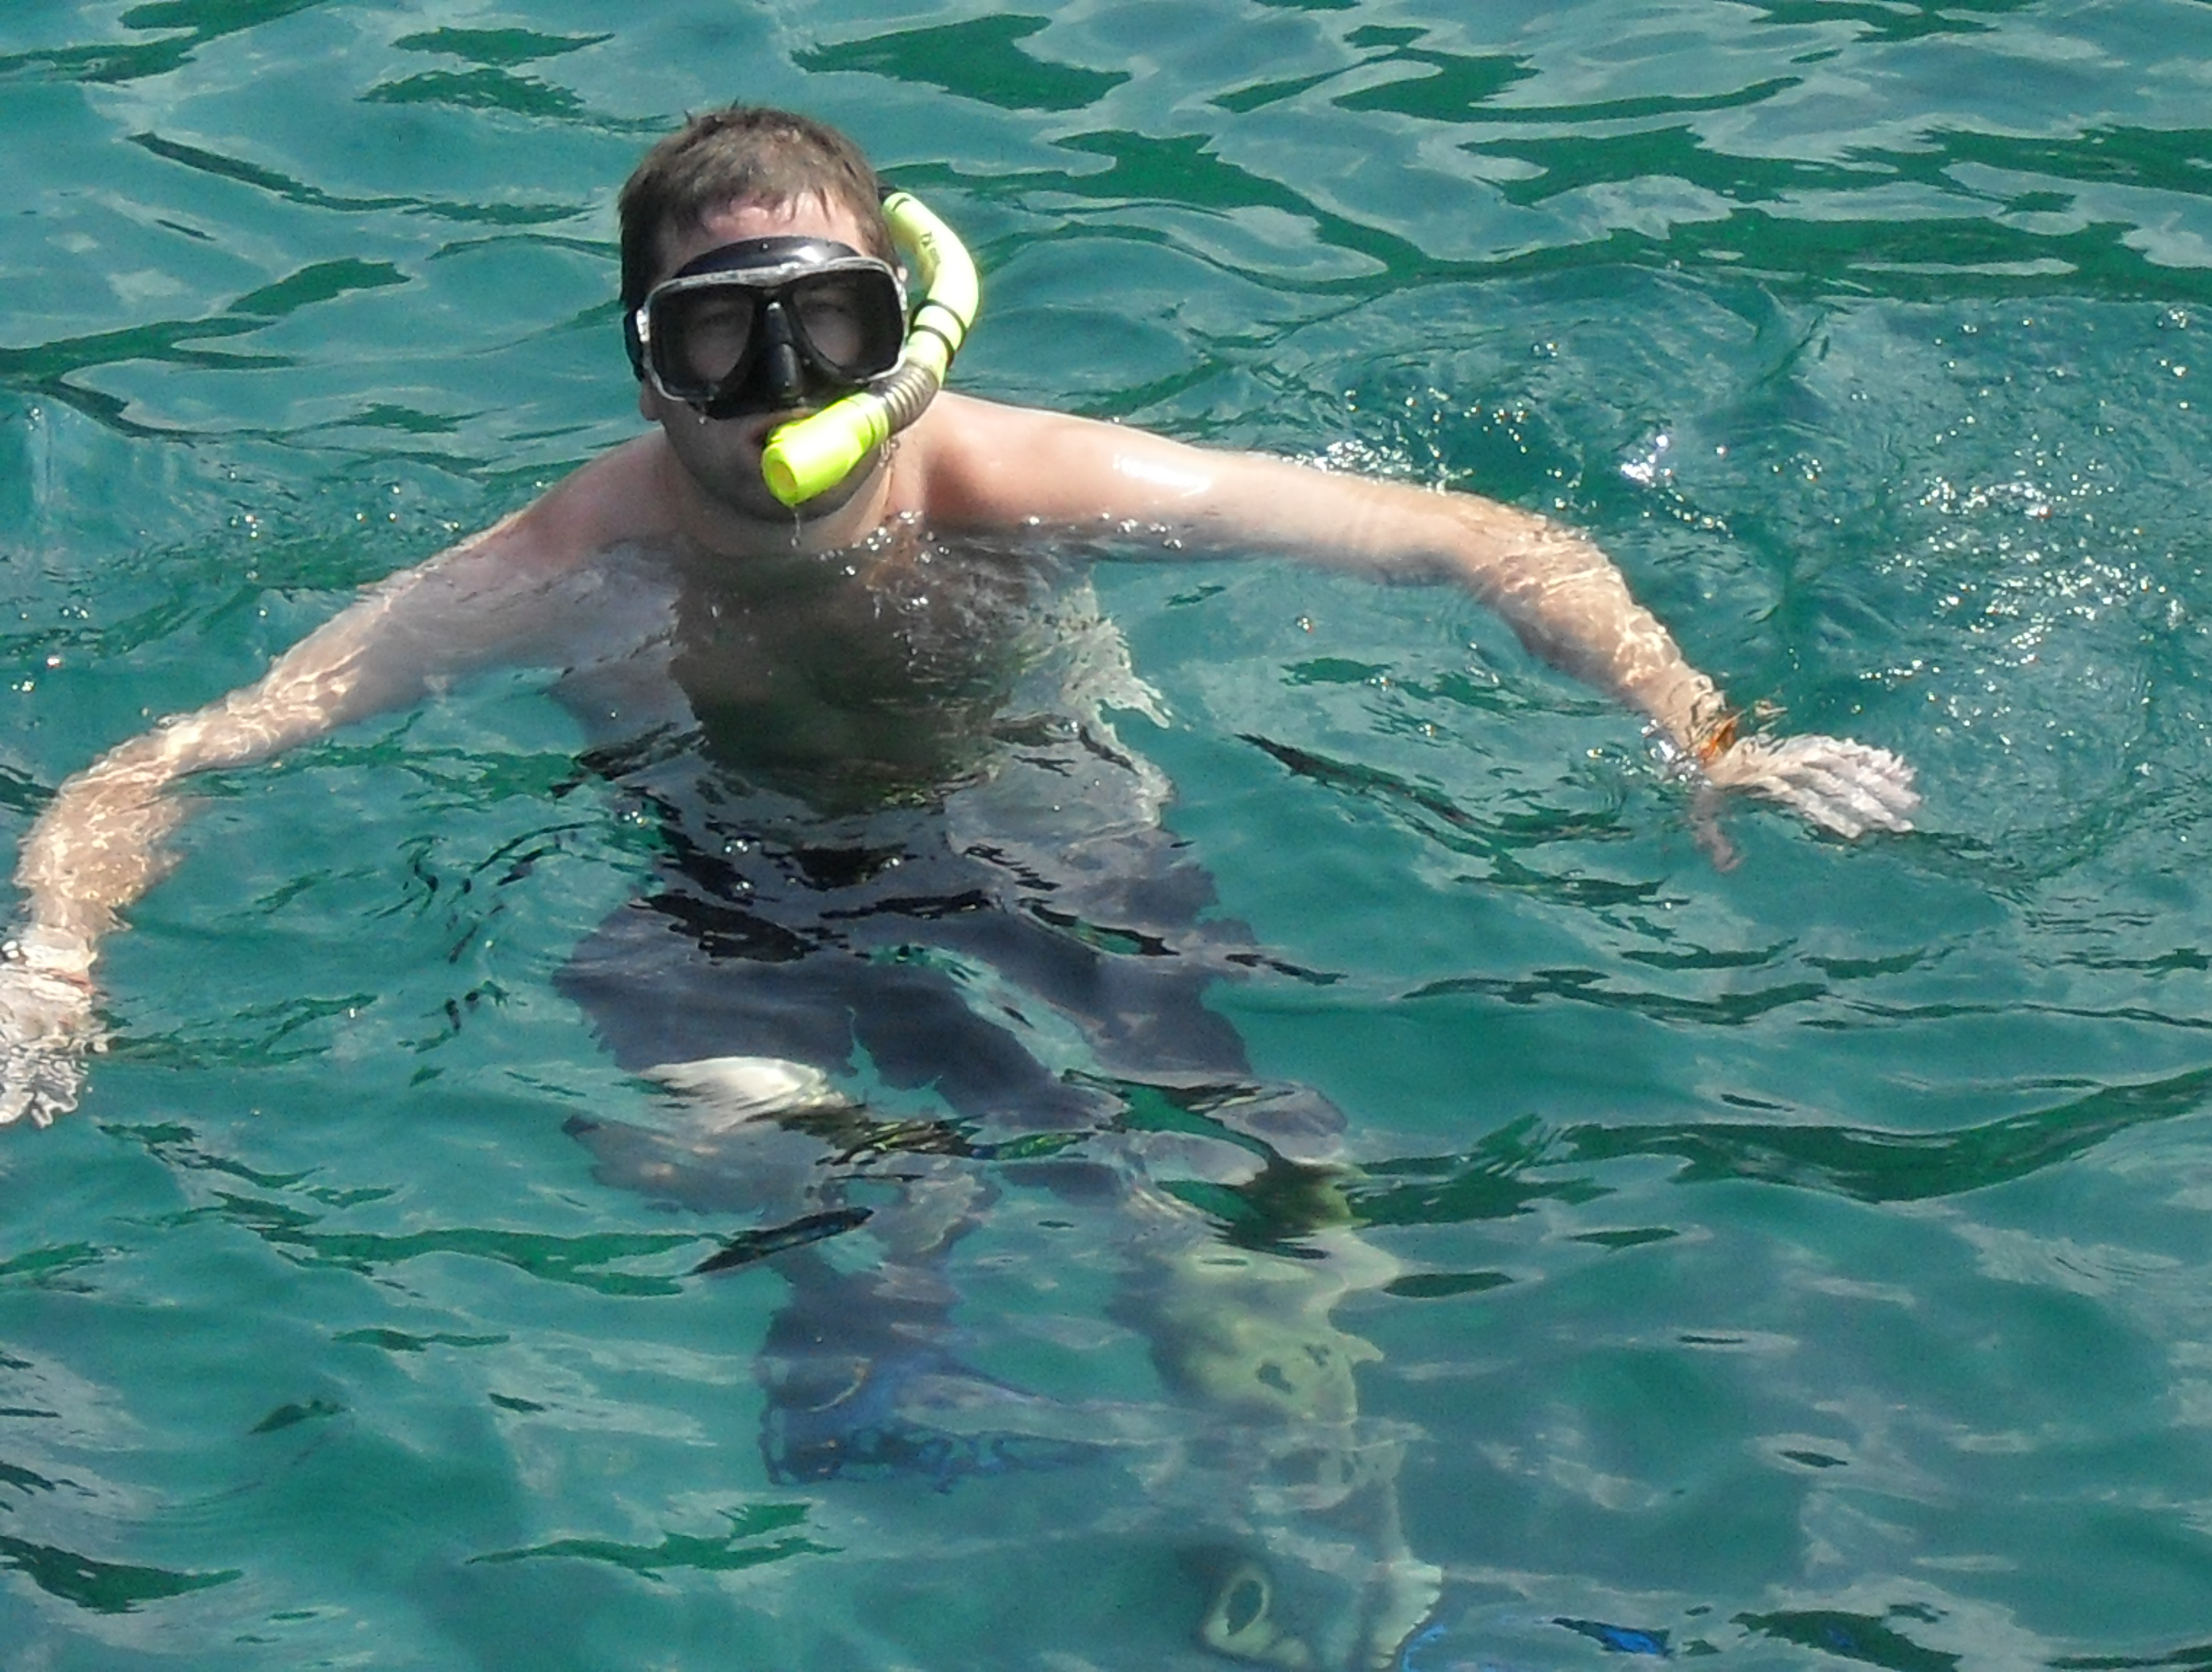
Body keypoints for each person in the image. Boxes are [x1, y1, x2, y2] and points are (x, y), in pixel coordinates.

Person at [0, 107, 1916, 1667]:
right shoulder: (557, 565)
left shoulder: (1021, 478)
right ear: (646, 364)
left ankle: (1360, 1536)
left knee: (1253, 1165)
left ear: (908, 335)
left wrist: (1705, 730)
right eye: (719, 339)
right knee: (718, 1119)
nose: (777, 393)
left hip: (1049, 840)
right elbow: (166, 760)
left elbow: (1476, 538)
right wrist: (53, 965)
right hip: (728, 882)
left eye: (825, 327)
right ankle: (884, 1257)